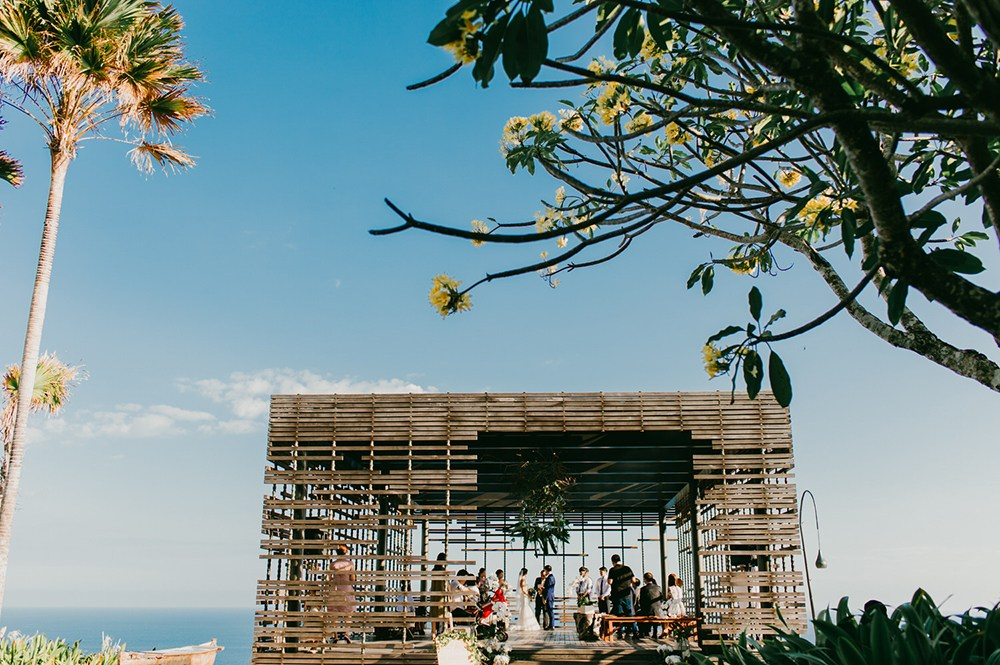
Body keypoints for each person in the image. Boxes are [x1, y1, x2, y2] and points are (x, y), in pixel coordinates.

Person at [328, 543, 356, 643]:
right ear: (346, 552)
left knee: (334, 613)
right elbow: (352, 578)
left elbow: (329, 579)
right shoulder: (350, 564)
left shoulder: (333, 564)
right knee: (348, 613)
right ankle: (346, 633)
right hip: (346, 588)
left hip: (336, 589)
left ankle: (335, 635)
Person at [608, 554, 637, 637]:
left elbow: (610, 582)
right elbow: (633, 580)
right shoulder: (627, 568)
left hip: (617, 595)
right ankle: (635, 631)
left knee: (619, 614)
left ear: (613, 561)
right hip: (627, 594)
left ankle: (620, 632)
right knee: (629, 613)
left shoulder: (612, 570)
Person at [512, 567, 542, 632]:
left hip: (524, 595)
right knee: (525, 608)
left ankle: (524, 623)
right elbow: (522, 589)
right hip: (524, 596)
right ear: (526, 573)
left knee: (525, 608)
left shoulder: (522, 579)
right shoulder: (522, 580)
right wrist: (528, 594)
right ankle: (526, 624)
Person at [638, 572, 665, 638]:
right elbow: (662, 599)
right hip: (657, 610)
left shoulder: (643, 589)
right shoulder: (658, 588)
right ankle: (655, 633)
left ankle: (642, 632)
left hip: (647, 611)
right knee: (654, 613)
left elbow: (642, 601)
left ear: (645, 580)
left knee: (638, 614)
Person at [429, 553, 449, 636]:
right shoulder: (444, 571)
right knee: (442, 613)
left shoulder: (433, 571)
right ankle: (443, 631)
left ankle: (433, 632)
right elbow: (447, 585)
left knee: (434, 614)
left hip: (434, 594)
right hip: (441, 594)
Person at [542, 564, 556, 630]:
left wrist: (545, 598)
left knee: (550, 610)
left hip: (549, 596)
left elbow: (548, 589)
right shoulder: (551, 577)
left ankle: (551, 625)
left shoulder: (550, 578)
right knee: (549, 610)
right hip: (550, 595)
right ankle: (551, 625)